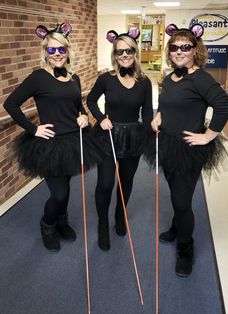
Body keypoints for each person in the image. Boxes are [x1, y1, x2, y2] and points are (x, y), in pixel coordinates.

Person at [3, 22, 104, 252]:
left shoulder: (74, 78)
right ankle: (47, 224)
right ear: (45, 52)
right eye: (52, 50)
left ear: (68, 51)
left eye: (61, 49)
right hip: (49, 144)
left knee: (66, 186)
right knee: (60, 193)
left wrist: (84, 117)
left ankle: (62, 221)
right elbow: (11, 104)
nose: (57, 54)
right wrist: (33, 129)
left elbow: (78, 106)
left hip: (74, 141)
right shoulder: (38, 77)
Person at [151, 23, 228, 277]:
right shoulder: (170, 77)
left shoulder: (200, 78)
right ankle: (177, 227)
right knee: (176, 191)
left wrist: (208, 136)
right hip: (168, 144)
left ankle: (186, 248)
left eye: (185, 47)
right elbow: (168, 103)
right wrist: (159, 117)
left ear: (195, 50)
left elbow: (223, 105)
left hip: (188, 149)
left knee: (181, 200)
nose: (178, 51)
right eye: (174, 47)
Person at [87, 27, 153, 251]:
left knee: (126, 182)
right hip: (108, 134)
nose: (124, 55)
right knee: (105, 183)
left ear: (135, 53)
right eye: (119, 51)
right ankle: (103, 224)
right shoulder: (106, 78)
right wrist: (100, 118)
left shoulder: (145, 82)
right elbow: (92, 101)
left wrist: (149, 133)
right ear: (114, 55)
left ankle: (119, 216)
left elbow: (148, 112)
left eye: (128, 51)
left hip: (133, 136)